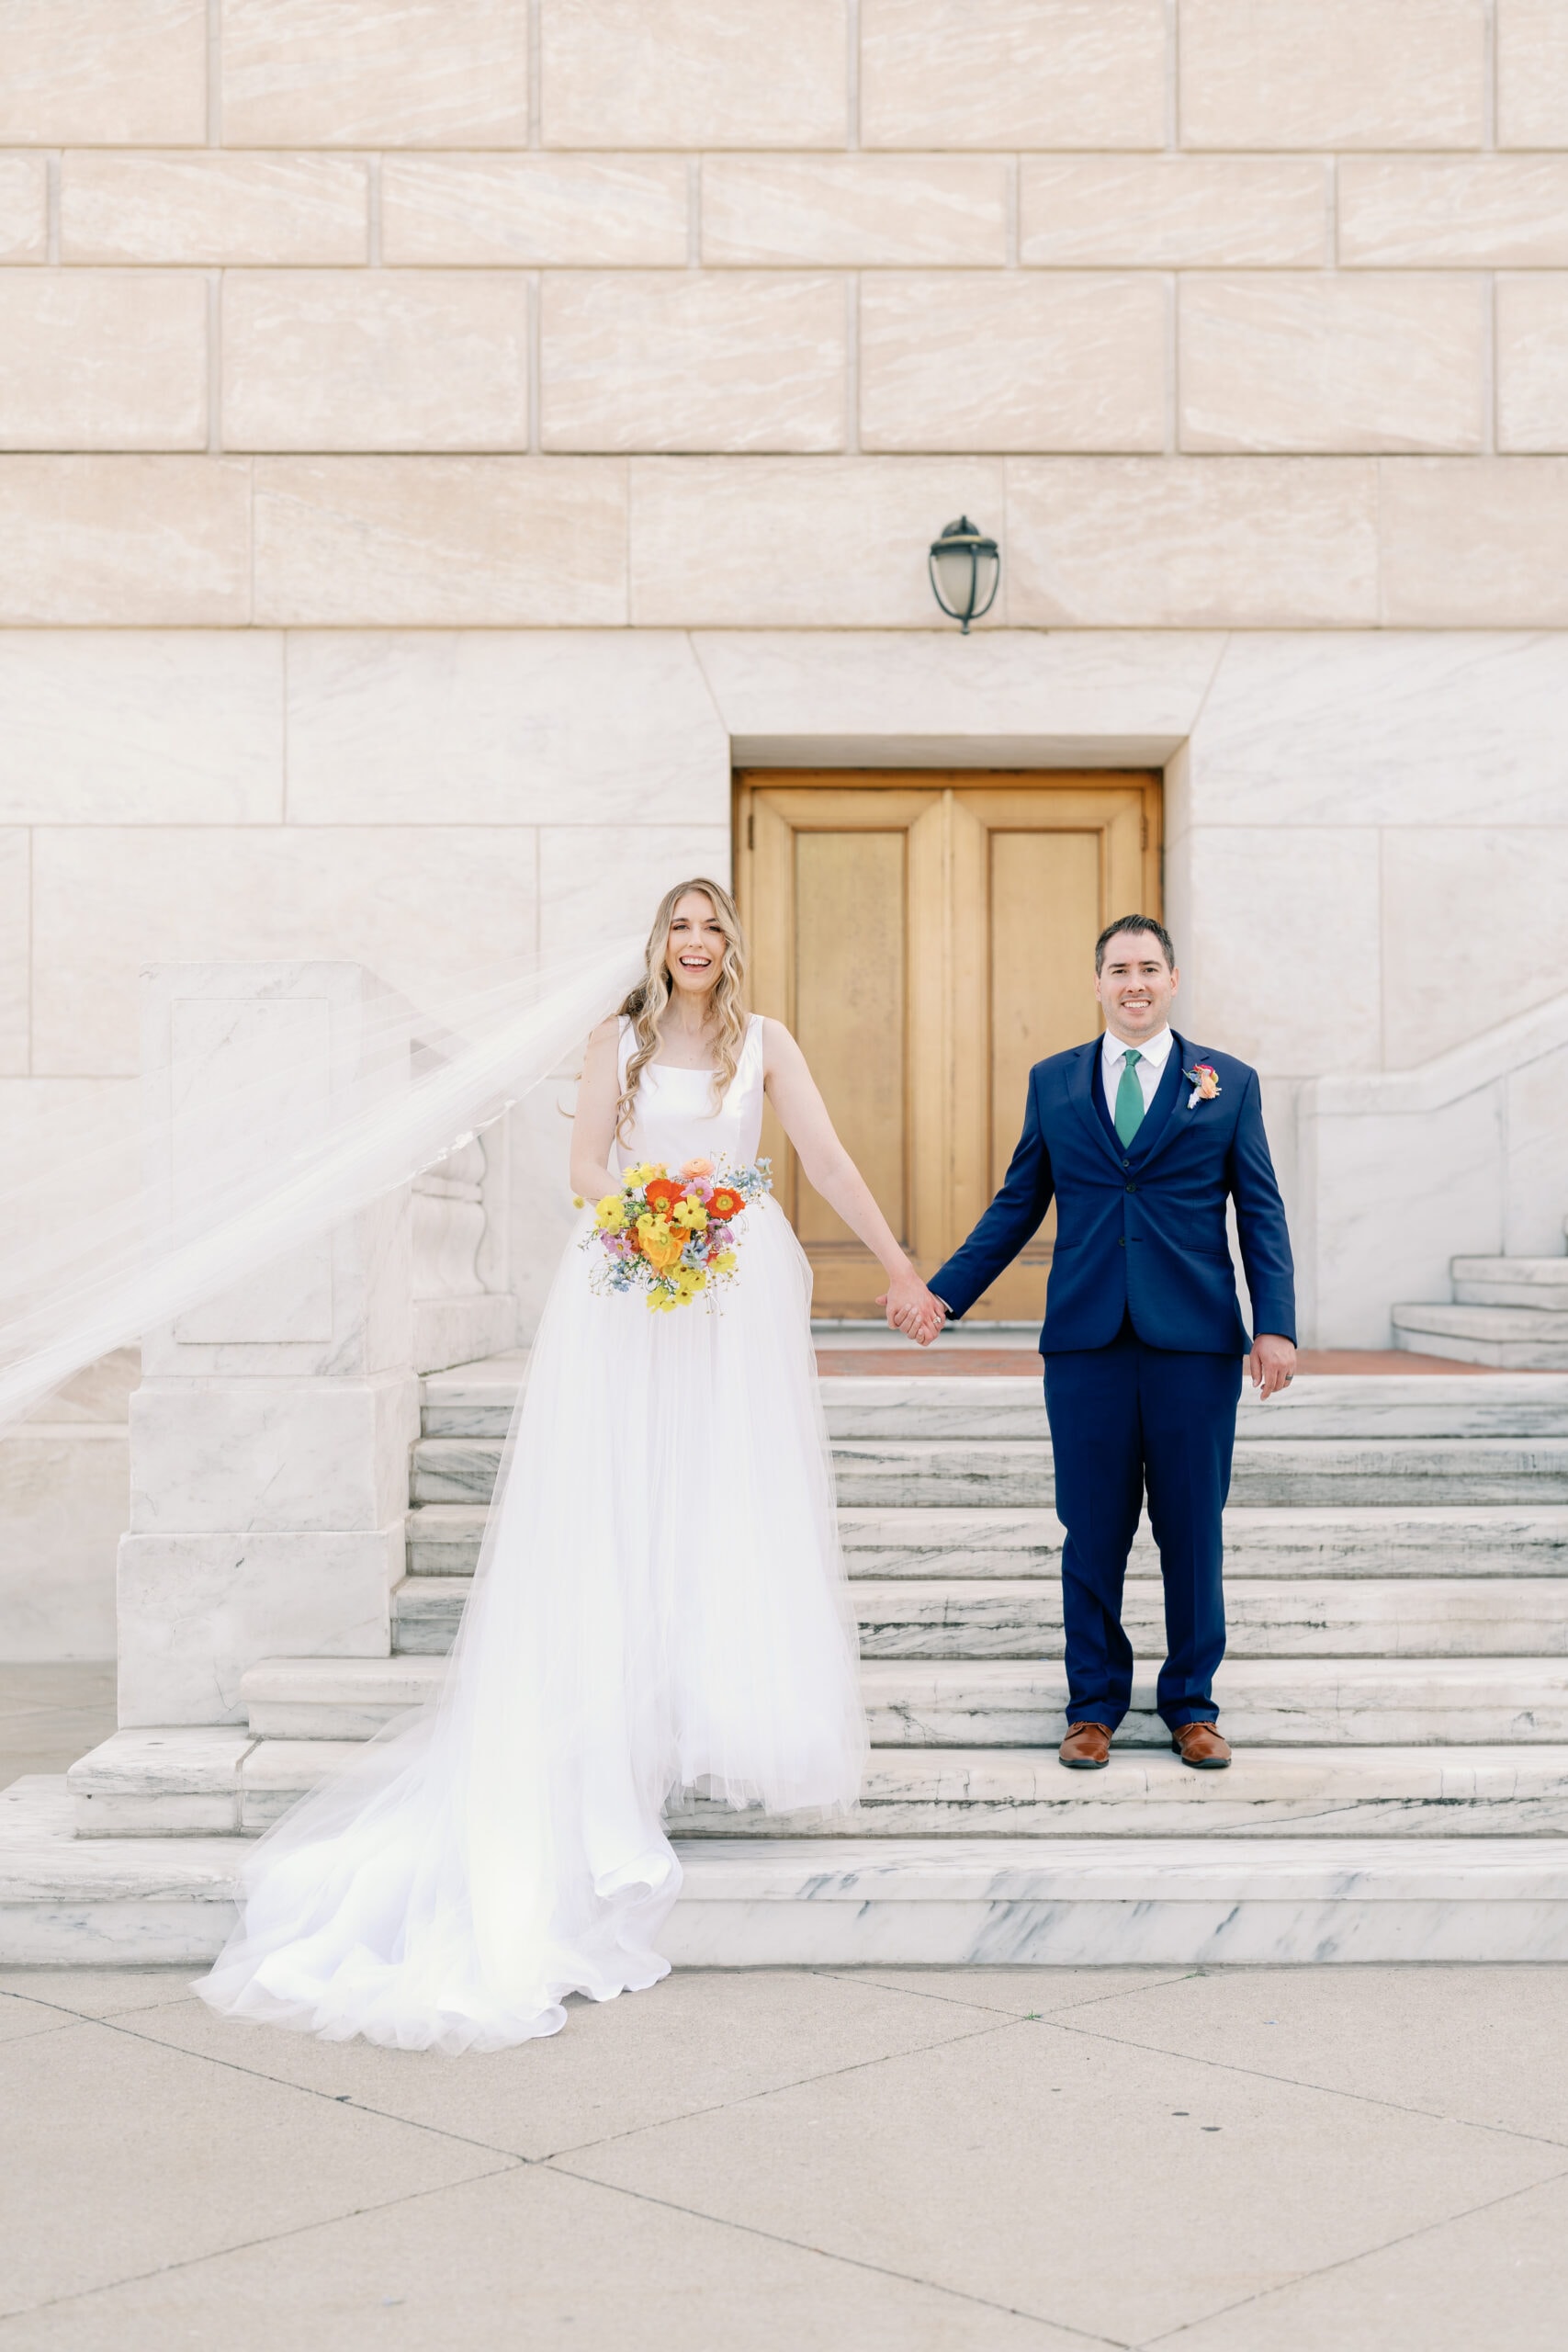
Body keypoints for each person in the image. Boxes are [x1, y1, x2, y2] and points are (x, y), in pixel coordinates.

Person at [197, 879, 933, 2052]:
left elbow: (829, 1163)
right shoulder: (618, 1041)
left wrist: (901, 1267)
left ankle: (691, 1715)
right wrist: (656, 1212)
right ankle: (604, 1736)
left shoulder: (770, 1045)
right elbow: (584, 1168)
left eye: (714, 929)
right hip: (633, 1284)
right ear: (658, 946)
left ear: (733, 947)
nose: (696, 945)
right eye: (679, 929)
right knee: (618, 1507)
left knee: (720, 1506)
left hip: (734, 1296)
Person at [906, 915, 1297, 1771]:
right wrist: (941, 1295)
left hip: (1193, 1342)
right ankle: (1093, 1708)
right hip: (1084, 1341)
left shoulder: (1226, 1083)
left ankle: (1191, 1706)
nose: (1133, 983)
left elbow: (1259, 1209)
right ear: (1096, 984)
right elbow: (1017, 1204)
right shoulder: (1054, 1083)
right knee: (1090, 1530)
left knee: (1192, 1528)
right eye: (1118, 969)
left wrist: (1273, 1323)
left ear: (1172, 979)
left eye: (1148, 968)